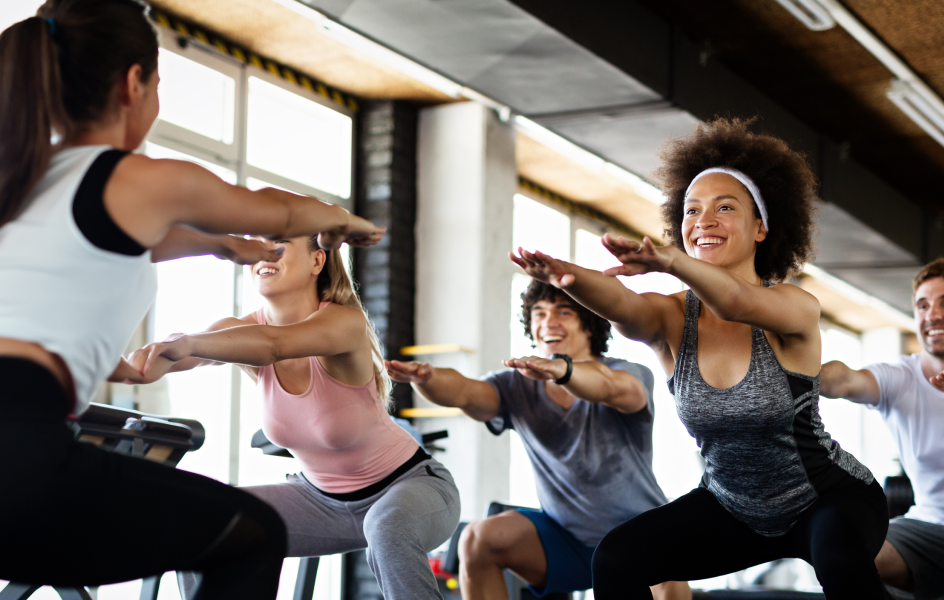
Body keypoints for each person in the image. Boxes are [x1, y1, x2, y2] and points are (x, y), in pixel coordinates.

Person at [0, 1, 384, 597]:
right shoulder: (135, 179)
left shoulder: (19, 182)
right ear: (134, 84)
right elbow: (275, 209)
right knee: (252, 533)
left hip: (23, 439)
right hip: (20, 453)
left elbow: (48, 297)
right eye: (158, 83)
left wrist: (226, 250)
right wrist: (342, 221)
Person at [511, 118, 889, 600]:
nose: (703, 221)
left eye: (724, 208)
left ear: (761, 228)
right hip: (731, 506)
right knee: (616, 558)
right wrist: (570, 277)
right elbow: (625, 303)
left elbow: (735, 302)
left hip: (829, 499)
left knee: (840, 563)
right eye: (692, 210)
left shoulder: (794, 308)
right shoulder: (672, 320)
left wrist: (671, 261)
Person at [129, 235, 461, 600]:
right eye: (257, 244)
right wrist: (110, 364)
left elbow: (274, 344)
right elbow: (157, 364)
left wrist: (188, 342)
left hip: (412, 486)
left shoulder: (343, 323)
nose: (263, 254)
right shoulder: (239, 331)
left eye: (279, 243)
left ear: (317, 261)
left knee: (384, 528)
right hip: (321, 502)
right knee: (204, 522)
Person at [387, 279, 691, 600]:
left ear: (589, 324)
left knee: (669, 576)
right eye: (539, 313)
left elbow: (613, 388)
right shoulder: (516, 385)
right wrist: (427, 378)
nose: (549, 322)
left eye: (563, 312)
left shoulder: (628, 371)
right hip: (566, 542)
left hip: (637, 536)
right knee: (477, 540)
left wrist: (563, 370)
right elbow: (466, 391)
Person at [820, 257, 944, 600]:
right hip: (929, 528)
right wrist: (800, 377)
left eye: (943, 303)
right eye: (923, 305)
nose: (932, 315)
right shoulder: (902, 377)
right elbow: (845, 379)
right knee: (843, 556)